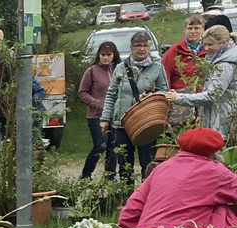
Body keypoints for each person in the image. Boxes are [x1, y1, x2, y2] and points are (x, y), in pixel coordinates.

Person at [119, 127, 237, 228]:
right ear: (216, 152)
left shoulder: (161, 168)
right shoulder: (217, 173)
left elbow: (132, 207)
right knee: (223, 211)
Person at [101, 31, 167, 181]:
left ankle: (147, 197)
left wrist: (151, 96)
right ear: (131, 47)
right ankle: (127, 198)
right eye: (138, 45)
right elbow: (111, 93)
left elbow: (164, 91)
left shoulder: (157, 67)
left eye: (145, 45)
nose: (141, 49)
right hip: (121, 123)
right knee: (124, 163)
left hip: (146, 122)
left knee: (147, 162)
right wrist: (105, 118)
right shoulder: (121, 67)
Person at [167, 26, 237, 140]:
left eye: (210, 44)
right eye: (205, 44)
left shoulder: (225, 65)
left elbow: (212, 95)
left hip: (223, 123)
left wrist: (178, 98)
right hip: (218, 120)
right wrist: (203, 117)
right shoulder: (220, 60)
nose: (206, 48)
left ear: (224, 42)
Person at [78, 41, 120, 179]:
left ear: (114, 55)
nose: (106, 58)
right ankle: (86, 174)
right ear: (99, 55)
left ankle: (110, 175)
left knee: (112, 146)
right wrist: (96, 103)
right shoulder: (91, 71)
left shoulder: (118, 70)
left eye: (109, 55)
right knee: (100, 145)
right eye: (103, 54)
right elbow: (82, 92)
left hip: (115, 115)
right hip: (96, 116)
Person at [163, 14, 208, 94]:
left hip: (203, 97)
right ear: (185, 30)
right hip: (181, 97)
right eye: (190, 28)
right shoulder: (175, 50)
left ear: (203, 30)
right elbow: (165, 75)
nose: (193, 31)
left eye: (196, 28)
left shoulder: (208, 49)